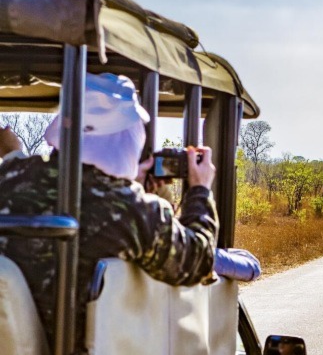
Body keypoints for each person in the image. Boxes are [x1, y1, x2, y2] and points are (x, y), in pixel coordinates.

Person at [0, 73, 218, 341]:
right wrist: (199, 190)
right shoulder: (134, 211)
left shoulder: (9, 178)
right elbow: (197, 261)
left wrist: (132, 183)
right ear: (127, 137)